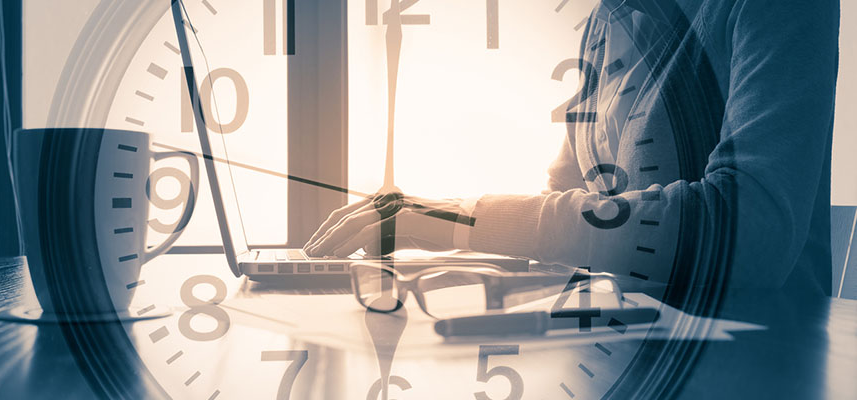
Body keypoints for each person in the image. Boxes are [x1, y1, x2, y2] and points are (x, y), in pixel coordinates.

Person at [305, 0, 840, 297]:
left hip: (756, 360)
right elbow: (567, 197)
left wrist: (459, 220)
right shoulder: (608, 22)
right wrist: (475, 264)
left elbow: (748, 235)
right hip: (626, 339)